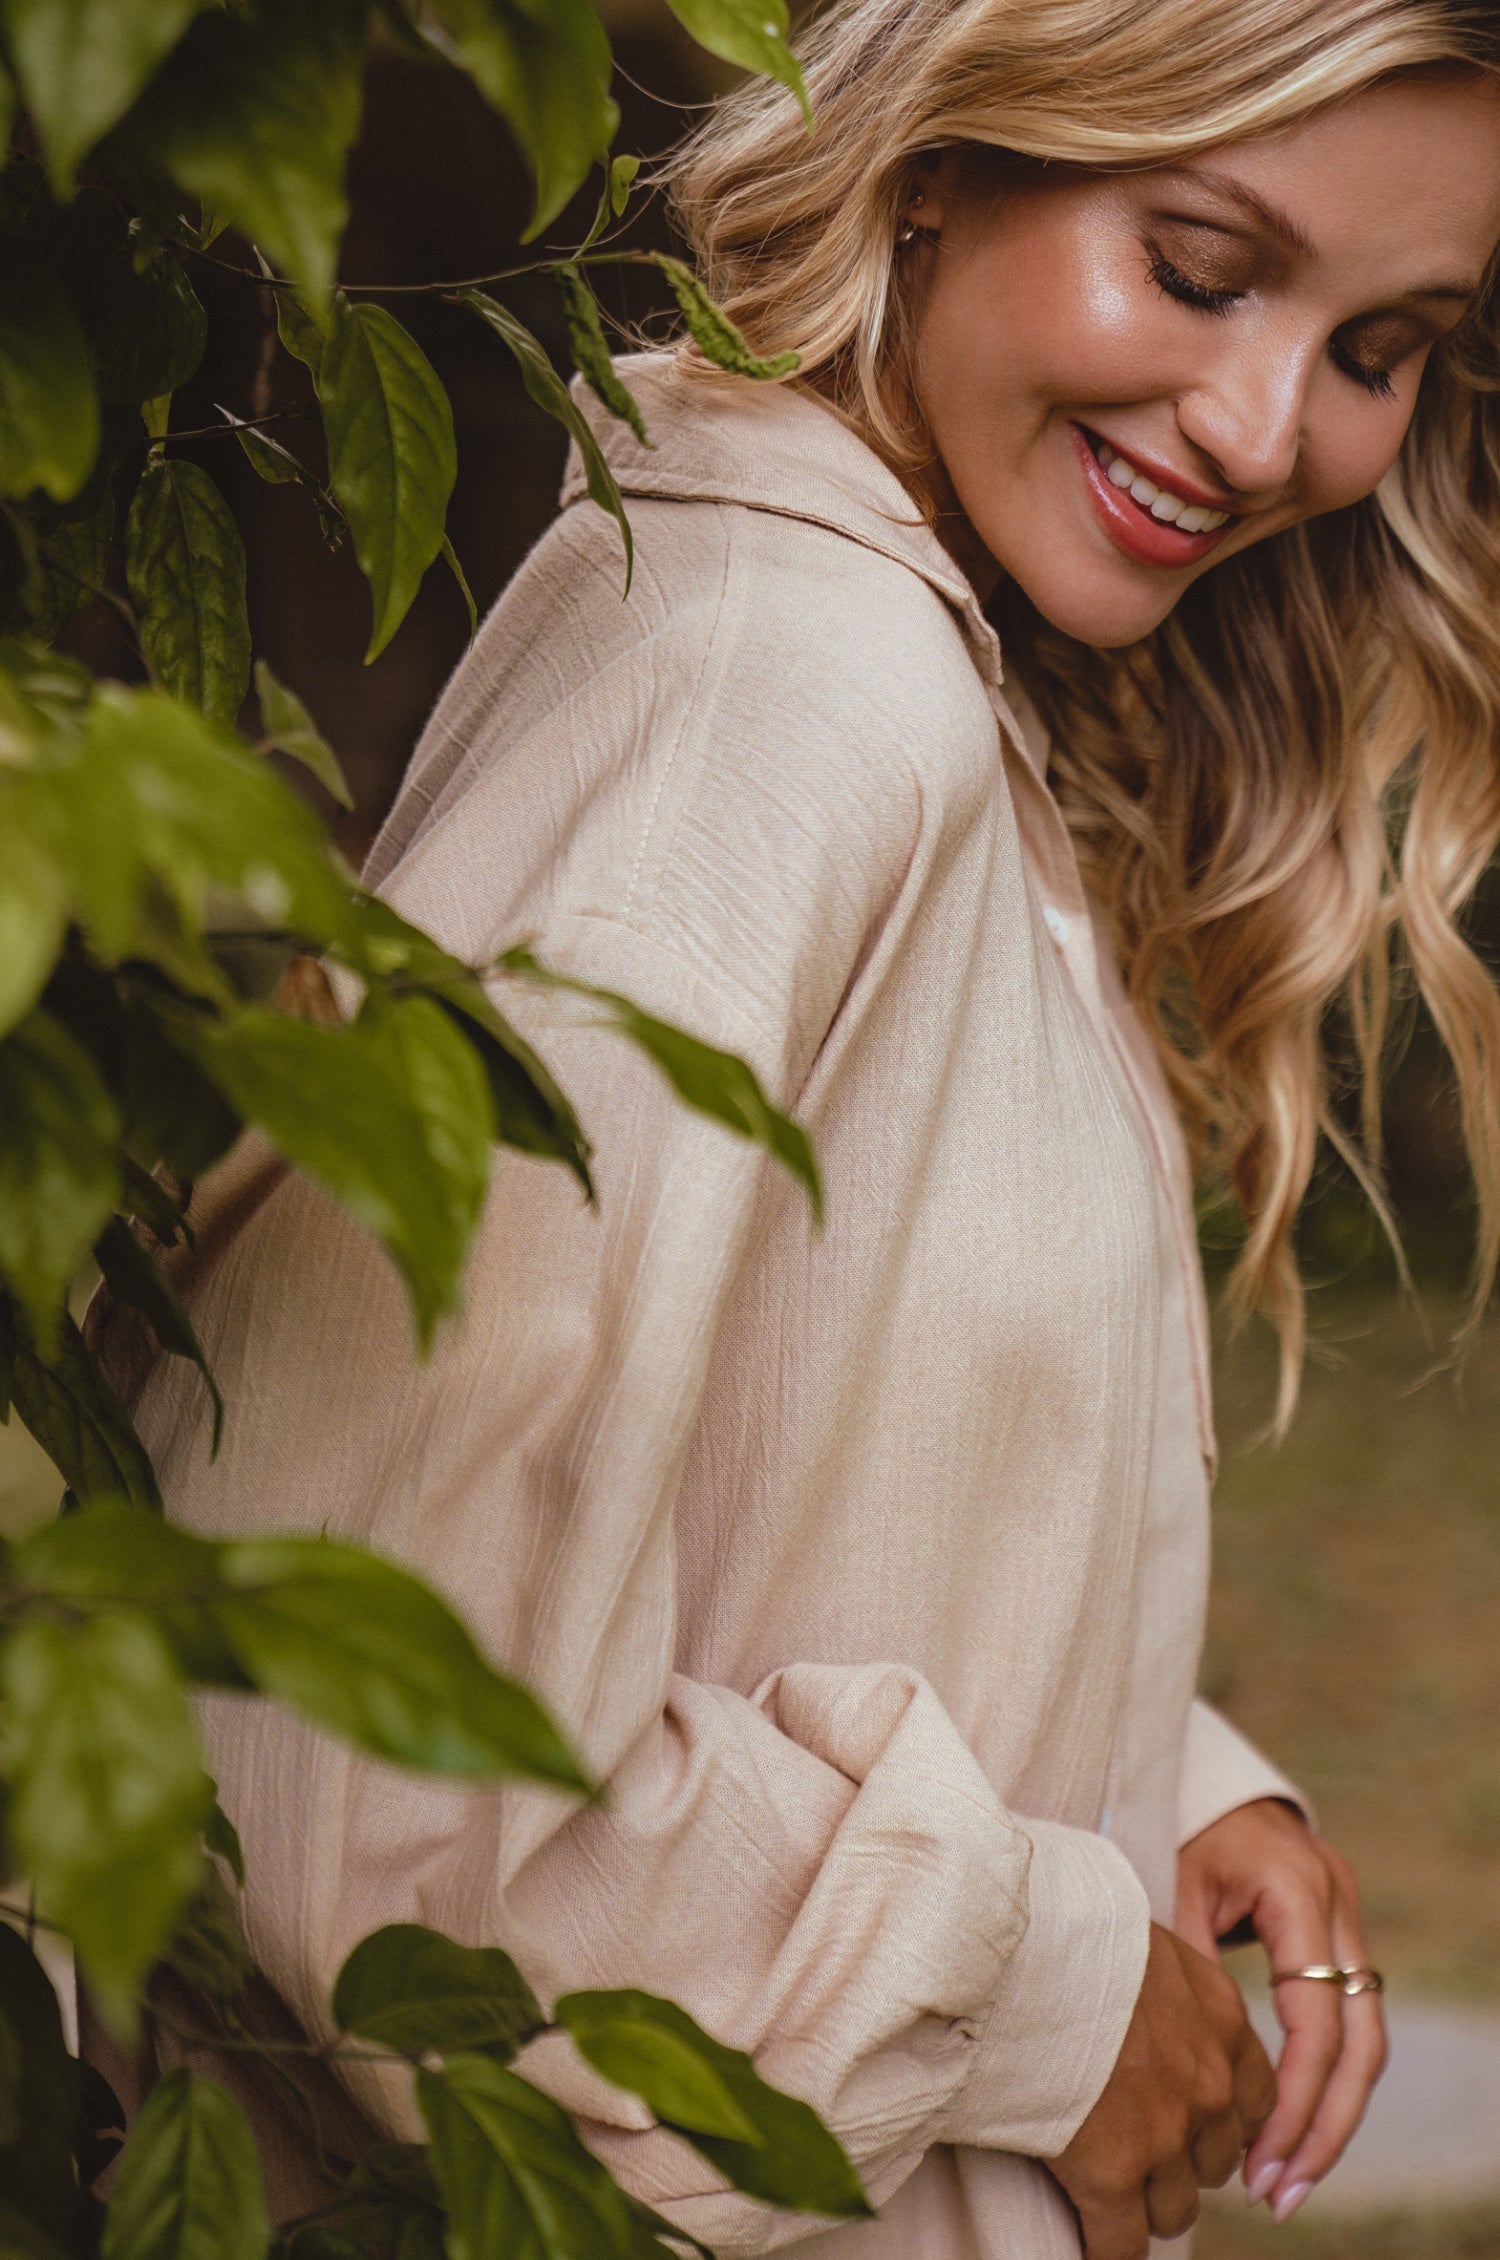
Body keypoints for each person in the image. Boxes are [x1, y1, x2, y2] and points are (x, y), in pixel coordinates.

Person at [126, 0, 1500, 2252]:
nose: (1272, 429)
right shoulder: (778, 687)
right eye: (1200, 262)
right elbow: (370, 1735)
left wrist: (1146, 1772)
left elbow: (750, 1472)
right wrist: (1048, 1987)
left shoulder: (920, 666)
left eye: (1386, 343)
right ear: (949, 156)